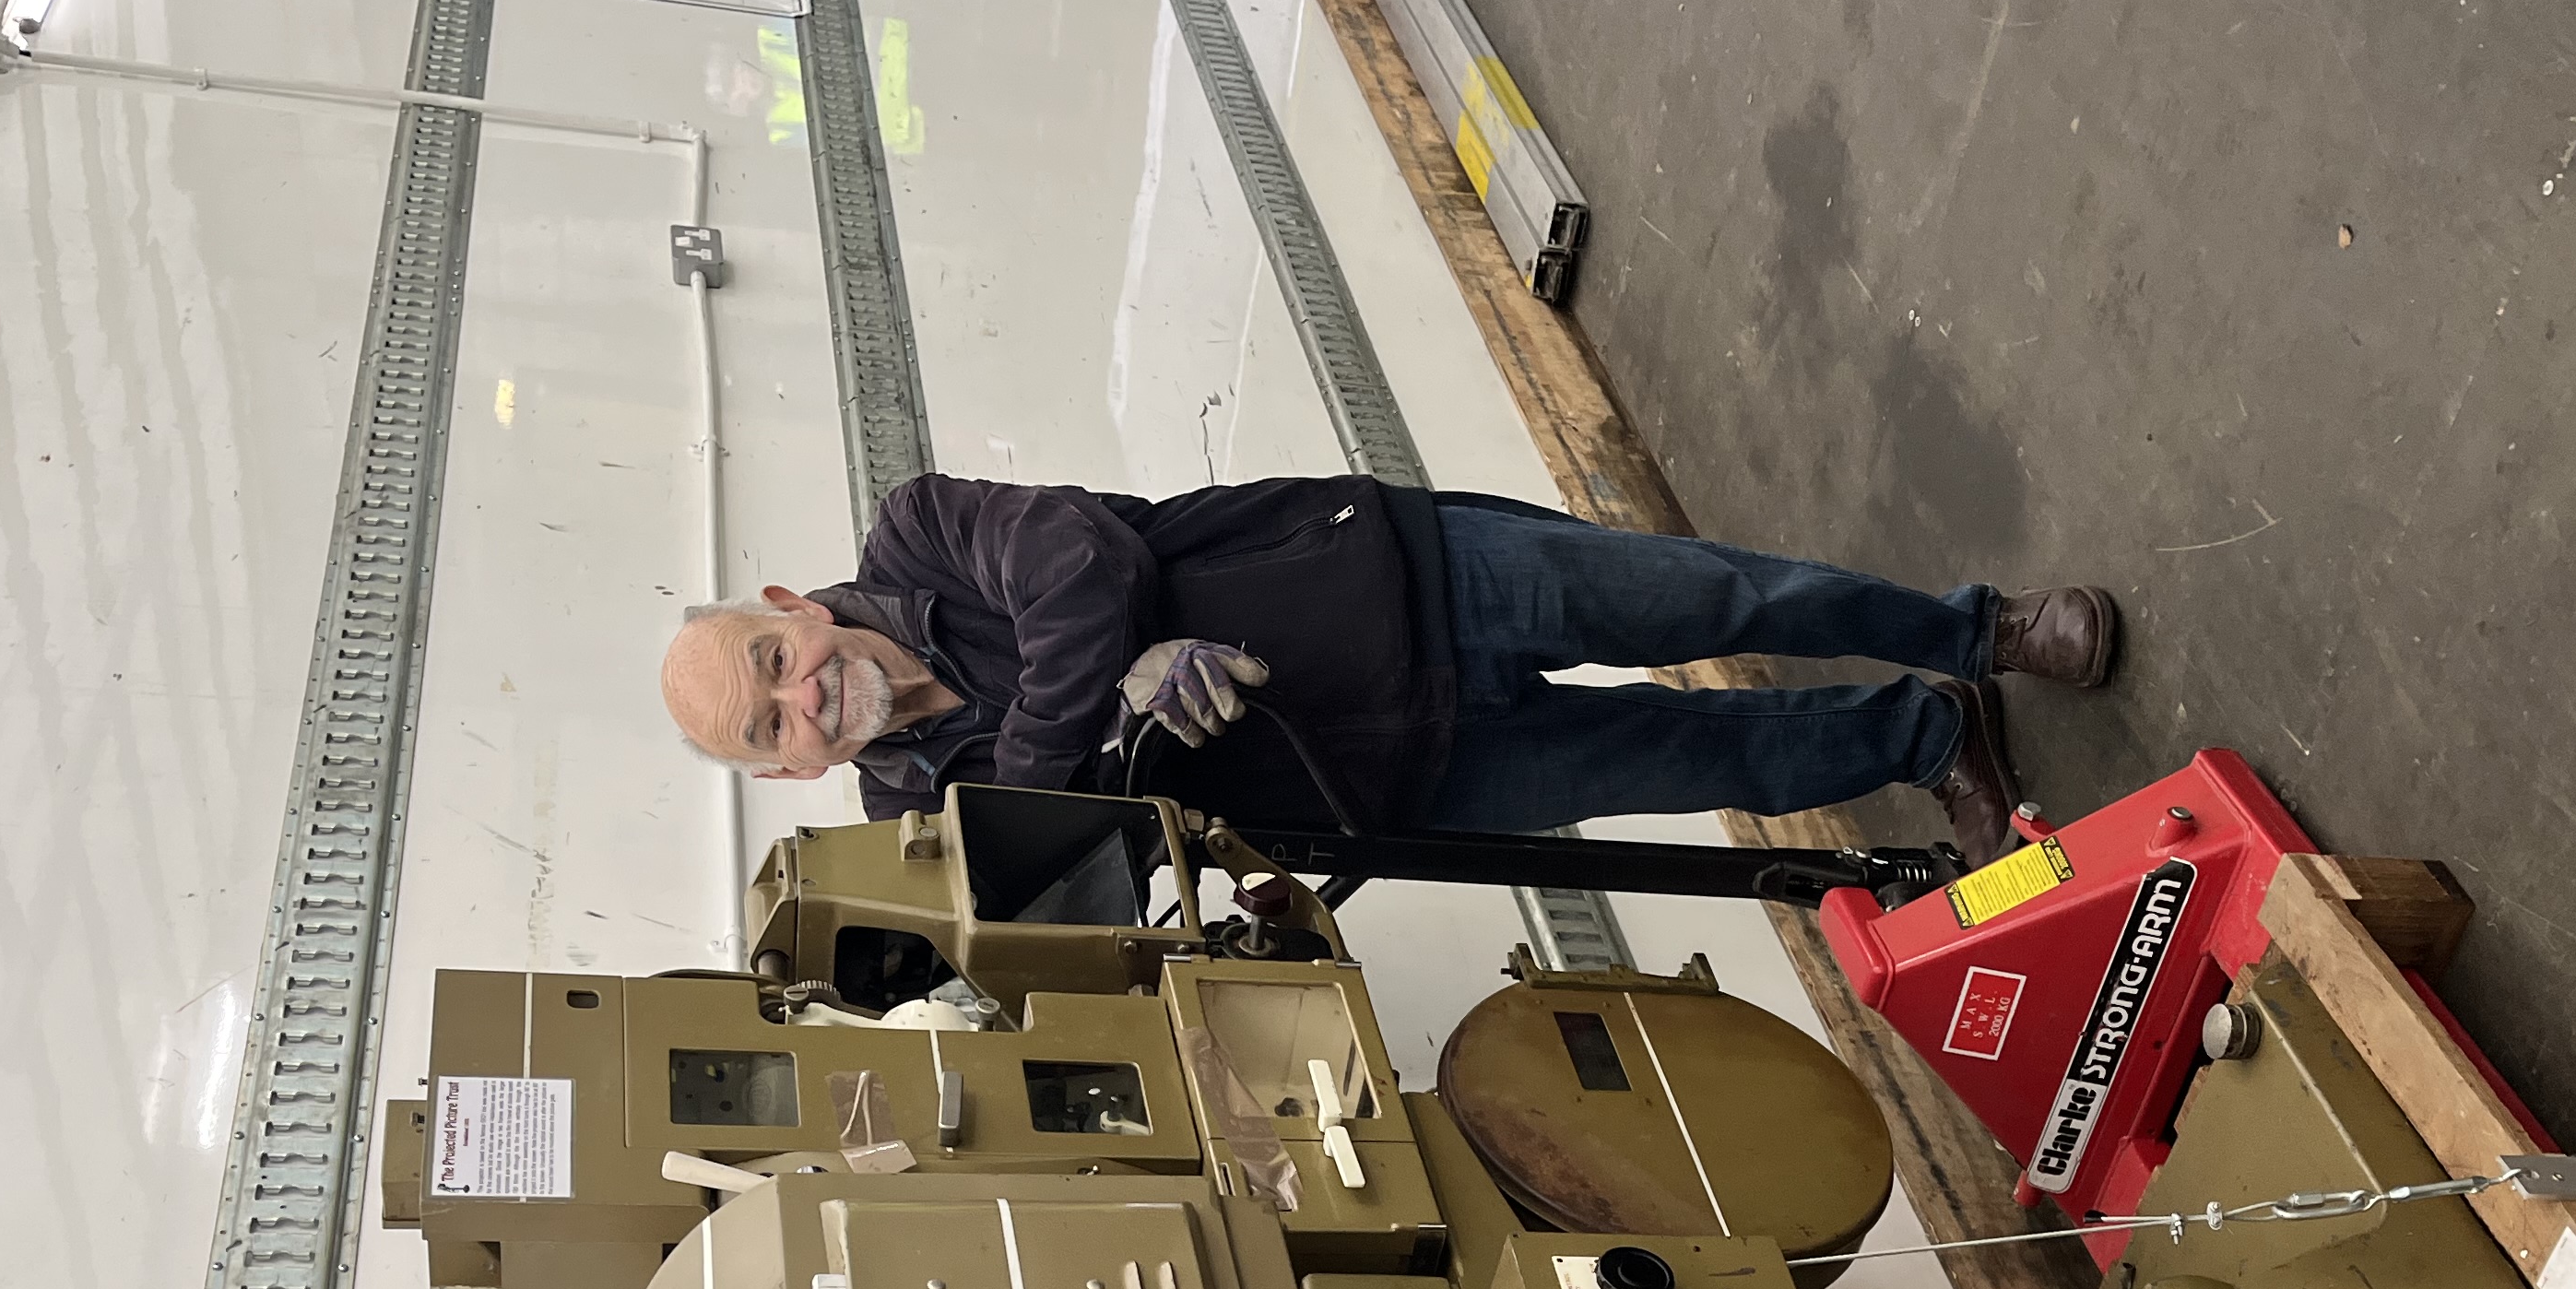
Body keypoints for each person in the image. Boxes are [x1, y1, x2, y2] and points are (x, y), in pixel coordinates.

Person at [655, 472, 2121, 869]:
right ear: (788, 771)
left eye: (774, 659)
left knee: (1716, 596)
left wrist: (1079, 734)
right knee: (1691, 766)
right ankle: (1925, 742)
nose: (803, 693)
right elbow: (1061, 880)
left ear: (790, 605)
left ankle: (1976, 631)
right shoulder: (910, 838)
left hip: (1395, 579)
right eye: (771, 723)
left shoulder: (919, 531)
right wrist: (1100, 705)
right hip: (1390, 774)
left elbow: (1080, 568)